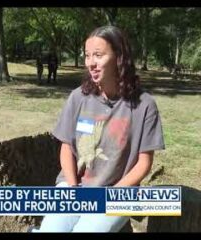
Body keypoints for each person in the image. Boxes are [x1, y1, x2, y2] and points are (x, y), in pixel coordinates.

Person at [30, 25, 165, 232]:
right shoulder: (78, 97)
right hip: (74, 185)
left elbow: (144, 163)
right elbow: (67, 147)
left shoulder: (145, 105)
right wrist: (73, 189)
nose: (91, 63)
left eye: (98, 55)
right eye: (87, 56)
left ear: (119, 57)